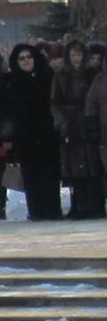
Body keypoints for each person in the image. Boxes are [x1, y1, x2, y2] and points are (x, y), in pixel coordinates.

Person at [0, 43, 61, 221]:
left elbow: (58, 102)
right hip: (24, 136)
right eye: (21, 58)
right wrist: (6, 136)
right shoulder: (9, 81)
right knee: (31, 174)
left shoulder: (47, 75)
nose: (26, 61)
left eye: (29, 57)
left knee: (50, 173)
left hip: (48, 133)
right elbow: (3, 112)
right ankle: (36, 211)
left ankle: (53, 210)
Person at [58, 40, 105, 218]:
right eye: (73, 55)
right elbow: (56, 101)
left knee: (94, 167)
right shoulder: (62, 75)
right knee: (75, 169)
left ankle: (96, 205)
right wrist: (62, 123)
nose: (76, 58)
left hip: (92, 125)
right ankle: (78, 205)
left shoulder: (93, 75)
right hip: (72, 124)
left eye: (79, 55)